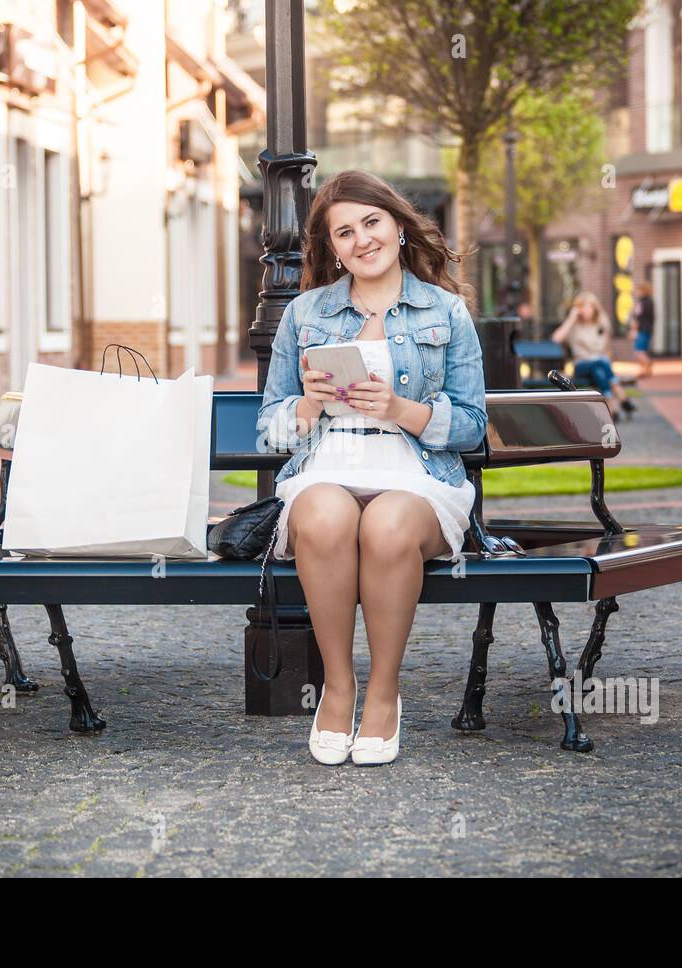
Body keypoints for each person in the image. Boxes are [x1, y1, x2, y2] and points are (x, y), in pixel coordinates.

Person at [255, 170, 488, 767]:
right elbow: (270, 430)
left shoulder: (447, 313)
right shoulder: (305, 315)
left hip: (419, 476)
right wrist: (306, 406)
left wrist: (400, 409)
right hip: (327, 466)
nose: (362, 240)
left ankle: (384, 693)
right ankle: (338, 687)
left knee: (385, 525)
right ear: (331, 248)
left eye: (371, 222)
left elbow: (472, 424)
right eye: (344, 232)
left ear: (398, 226)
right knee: (327, 516)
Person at [549, 292, 636, 419]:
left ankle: (612, 408)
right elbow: (556, 338)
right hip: (581, 366)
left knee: (599, 372)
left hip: (599, 364)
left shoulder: (601, 324)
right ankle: (621, 396)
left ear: (595, 308)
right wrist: (571, 318)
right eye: (583, 307)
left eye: (589, 307)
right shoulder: (574, 325)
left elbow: (605, 349)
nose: (586, 310)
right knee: (601, 362)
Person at [631, 282, 654, 379]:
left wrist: (633, 330)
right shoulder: (651, 302)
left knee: (638, 351)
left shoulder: (642, 303)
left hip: (642, 330)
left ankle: (647, 364)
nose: (637, 292)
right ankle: (644, 371)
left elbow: (637, 317)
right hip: (648, 329)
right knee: (643, 350)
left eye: (639, 290)